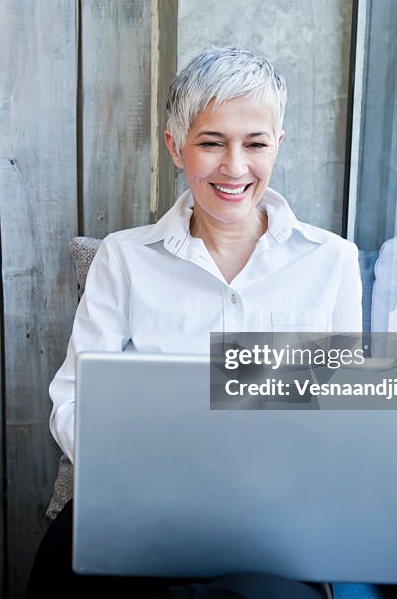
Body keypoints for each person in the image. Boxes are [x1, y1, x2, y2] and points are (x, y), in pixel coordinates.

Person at [26, 47, 362, 599]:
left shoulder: (332, 261)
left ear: (277, 146)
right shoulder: (124, 257)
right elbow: (73, 400)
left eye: (254, 144)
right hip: (138, 504)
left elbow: (346, 409)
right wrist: (134, 477)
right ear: (175, 147)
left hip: (271, 519)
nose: (234, 167)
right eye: (211, 143)